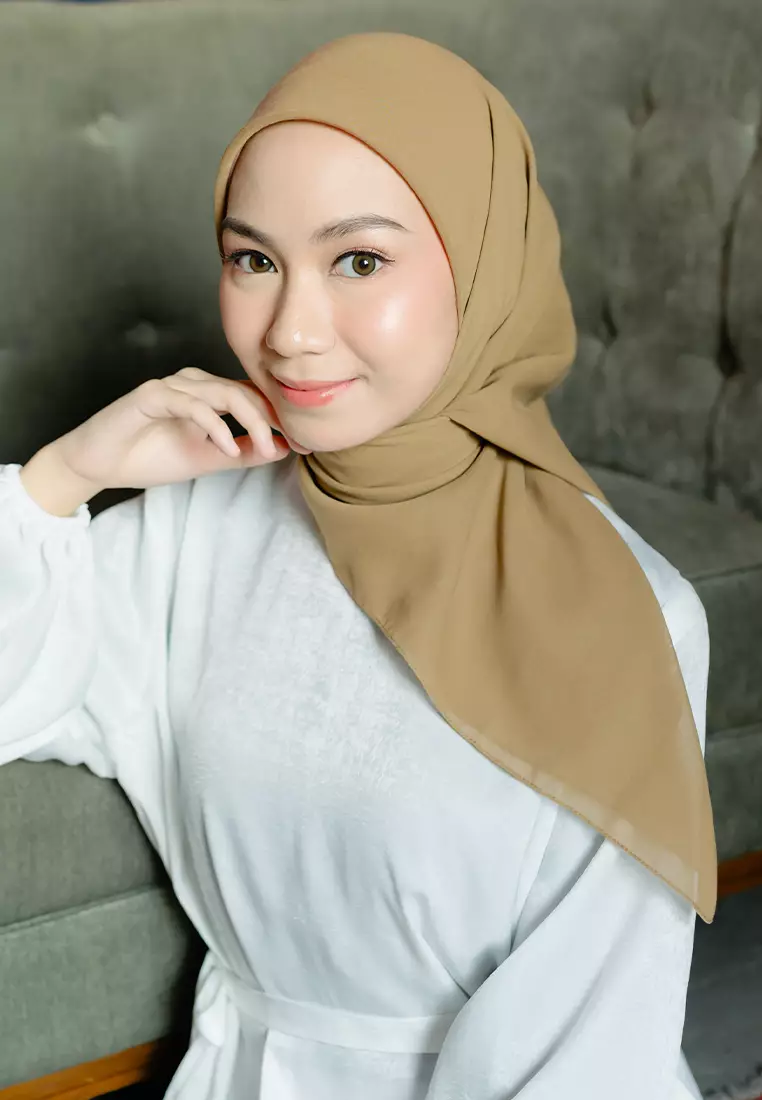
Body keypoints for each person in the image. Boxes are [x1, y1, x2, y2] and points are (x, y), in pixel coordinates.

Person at [0, 30, 714, 1100]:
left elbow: (590, 1050)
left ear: (484, 265)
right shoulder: (197, 525)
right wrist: (64, 476)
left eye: (360, 261)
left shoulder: (632, 614)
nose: (289, 332)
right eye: (253, 260)